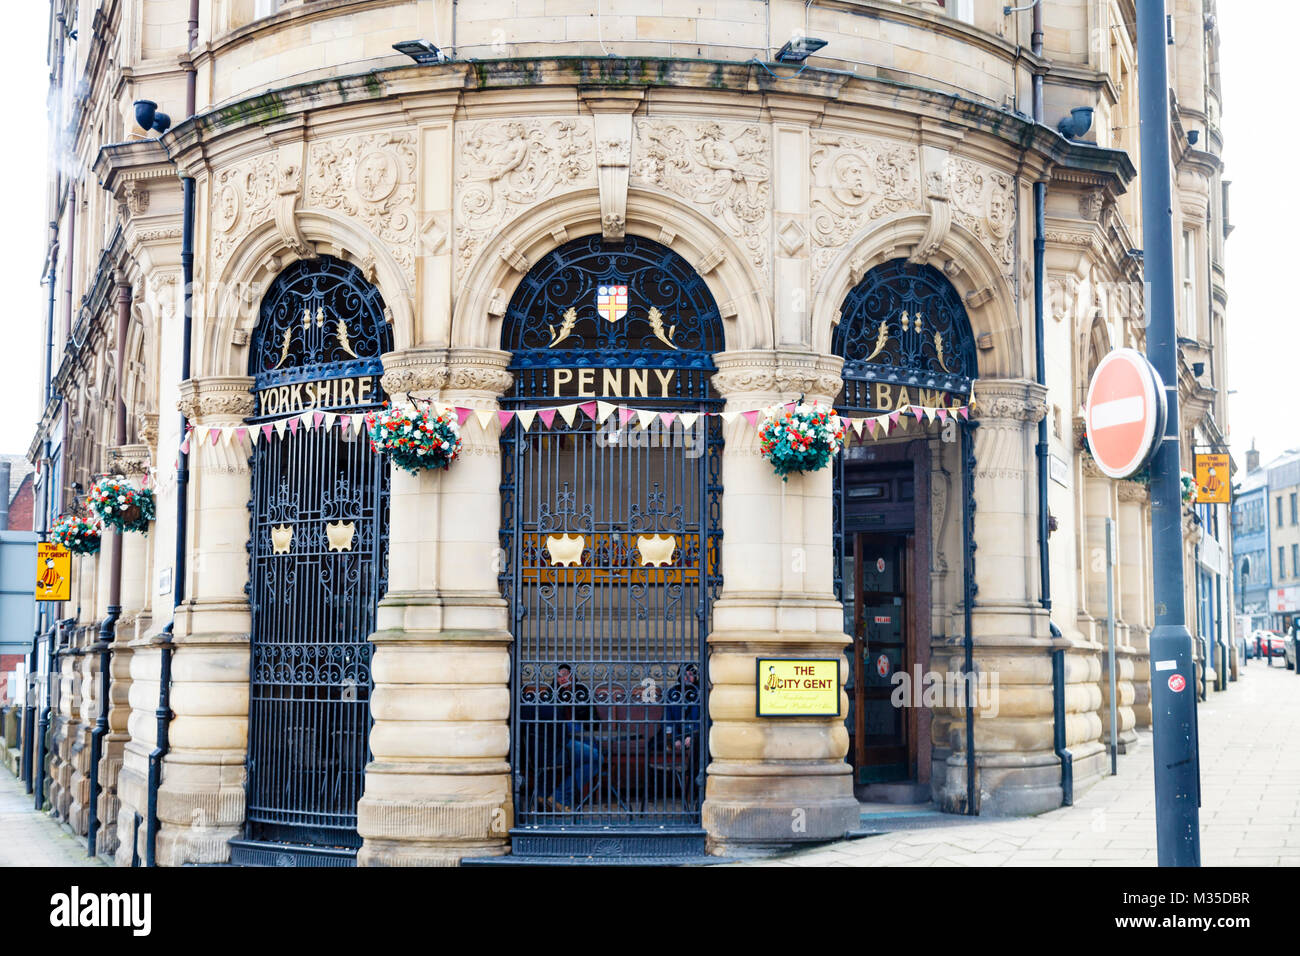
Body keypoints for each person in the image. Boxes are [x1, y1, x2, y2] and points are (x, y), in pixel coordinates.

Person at [544, 663, 601, 812]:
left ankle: (562, 797)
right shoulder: (550, 693)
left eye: (565, 675)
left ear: (572, 676)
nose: (562, 678)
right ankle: (561, 797)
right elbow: (551, 722)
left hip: (581, 735)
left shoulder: (581, 690)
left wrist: (576, 703)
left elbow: (595, 720)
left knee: (592, 752)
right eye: (559, 676)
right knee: (595, 758)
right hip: (559, 741)